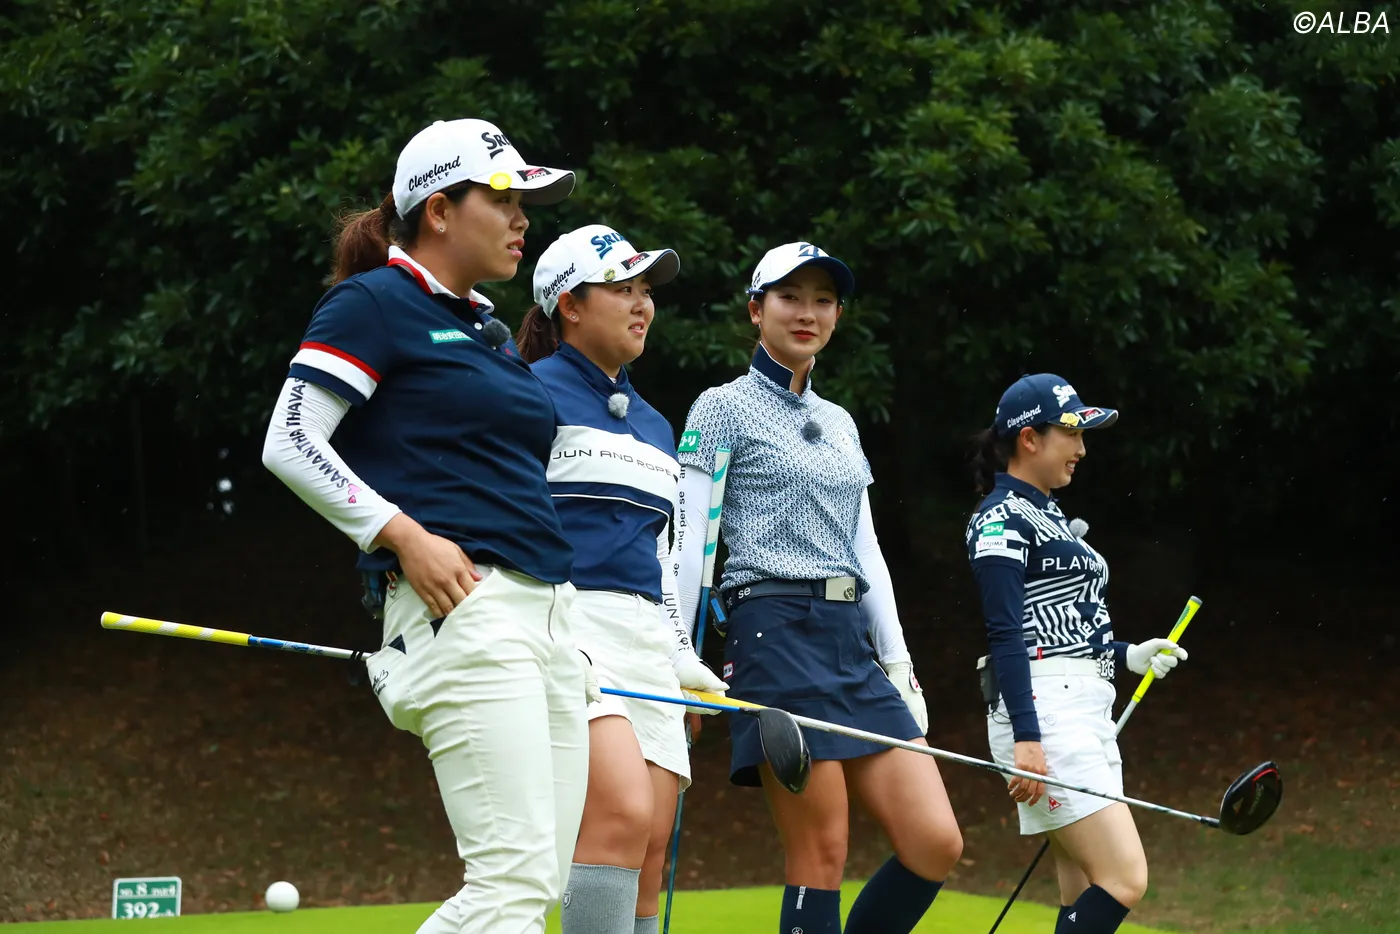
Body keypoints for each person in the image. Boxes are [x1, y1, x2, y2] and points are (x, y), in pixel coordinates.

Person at [261, 118, 598, 934]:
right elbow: (291, 440)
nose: (521, 218)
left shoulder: (487, 331)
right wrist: (401, 534)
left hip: (550, 617)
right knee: (510, 885)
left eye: (524, 203)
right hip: (467, 612)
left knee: (537, 886)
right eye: (503, 198)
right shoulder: (374, 303)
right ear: (440, 211)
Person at [672, 242, 963, 934]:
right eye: (789, 297)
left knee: (935, 842)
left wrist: (899, 661)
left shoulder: (840, 422)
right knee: (821, 852)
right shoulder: (720, 407)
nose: (807, 313)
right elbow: (690, 541)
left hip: (848, 641)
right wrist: (677, 655)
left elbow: (867, 550)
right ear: (756, 309)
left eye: (823, 300)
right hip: (773, 632)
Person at [515, 224, 730, 934]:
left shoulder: (657, 426)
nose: (642, 304)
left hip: (645, 642)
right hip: (568, 626)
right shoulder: (527, 394)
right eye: (621, 288)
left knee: (653, 845)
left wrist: (681, 658)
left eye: (646, 290)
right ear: (570, 305)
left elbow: (660, 562)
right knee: (619, 817)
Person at [964, 374, 1189, 934]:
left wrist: (1129, 655)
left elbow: (1064, 626)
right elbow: (1007, 634)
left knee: (1083, 889)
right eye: (1071, 434)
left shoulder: (1051, 515)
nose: (1082, 449)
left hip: (1083, 708)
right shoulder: (999, 518)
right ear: (1029, 439)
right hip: (1045, 714)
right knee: (1125, 877)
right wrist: (1028, 737)